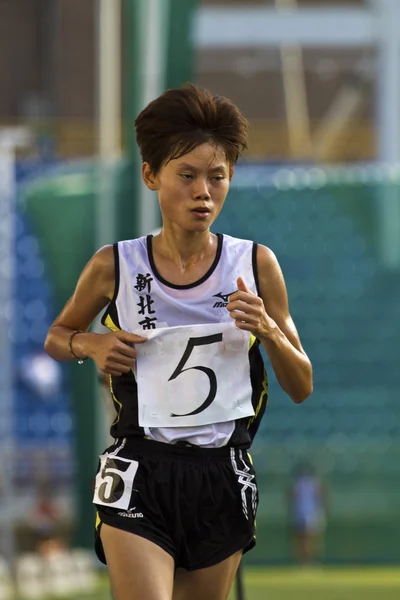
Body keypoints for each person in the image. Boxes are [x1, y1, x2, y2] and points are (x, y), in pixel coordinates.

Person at [44, 83, 313, 600]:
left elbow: (301, 385)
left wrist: (269, 330)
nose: (203, 192)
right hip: (139, 464)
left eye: (217, 177)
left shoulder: (256, 266)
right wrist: (92, 345)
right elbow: (58, 335)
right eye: (186, 176)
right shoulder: (115, 264)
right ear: (151, 176)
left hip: (221, 471)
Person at [288, 463, 327, 566]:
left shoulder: (298, 483)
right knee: (309, 539)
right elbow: (321, 495)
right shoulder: (314, 483)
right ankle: (308, 561)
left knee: (304, 539)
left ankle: (305, 561)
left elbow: (291, 496)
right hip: (311, 512)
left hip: (303, 512)